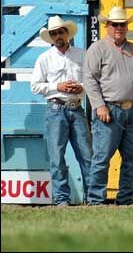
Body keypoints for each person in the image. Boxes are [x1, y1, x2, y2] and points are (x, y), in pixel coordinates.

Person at [84, 6, 133, 205]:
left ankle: (125, 199)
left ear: (127, 26)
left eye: (122, 24)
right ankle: (96, 200)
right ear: (107, 26)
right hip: (109, 109)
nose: (119, 27)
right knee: (102, 157)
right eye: (115, 24)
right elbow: (89, 80)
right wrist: (99, 106)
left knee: (131, 158)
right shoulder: (98, 49)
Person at [30, 16, 92, 206]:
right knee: (57, 157)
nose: (58, 35)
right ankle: (61, 199)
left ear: (67, 33)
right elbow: (35, 86)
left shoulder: (83, 54)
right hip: (56, 108)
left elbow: (92, 81)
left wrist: (80, 87)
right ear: (51, 36)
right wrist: (59, 87)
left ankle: (93, 198)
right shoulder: (44, 58)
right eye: (54, 33)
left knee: (87, 155)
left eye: (60, 32)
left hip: (76, 108)